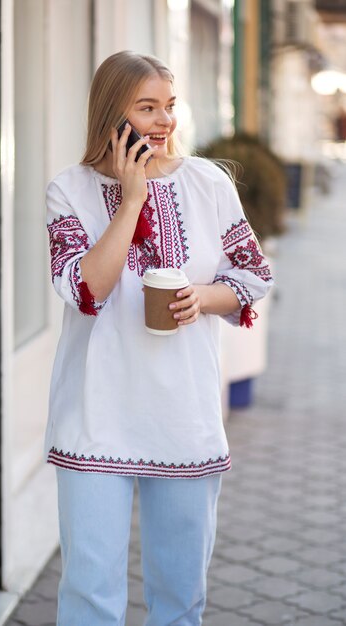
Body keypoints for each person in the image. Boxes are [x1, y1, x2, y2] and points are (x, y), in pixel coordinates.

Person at [45, 50, 273, 626]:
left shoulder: (209, 183)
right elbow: (85, 291)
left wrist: (203, 298)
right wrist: (131, 203)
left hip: (184, 416)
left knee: (179, 599)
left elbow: (252, 275)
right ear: (109, 115)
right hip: (94, 419)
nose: (164, 122)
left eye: (168, 107)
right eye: (146, 108)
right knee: (90, 598)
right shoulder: (68, 191)